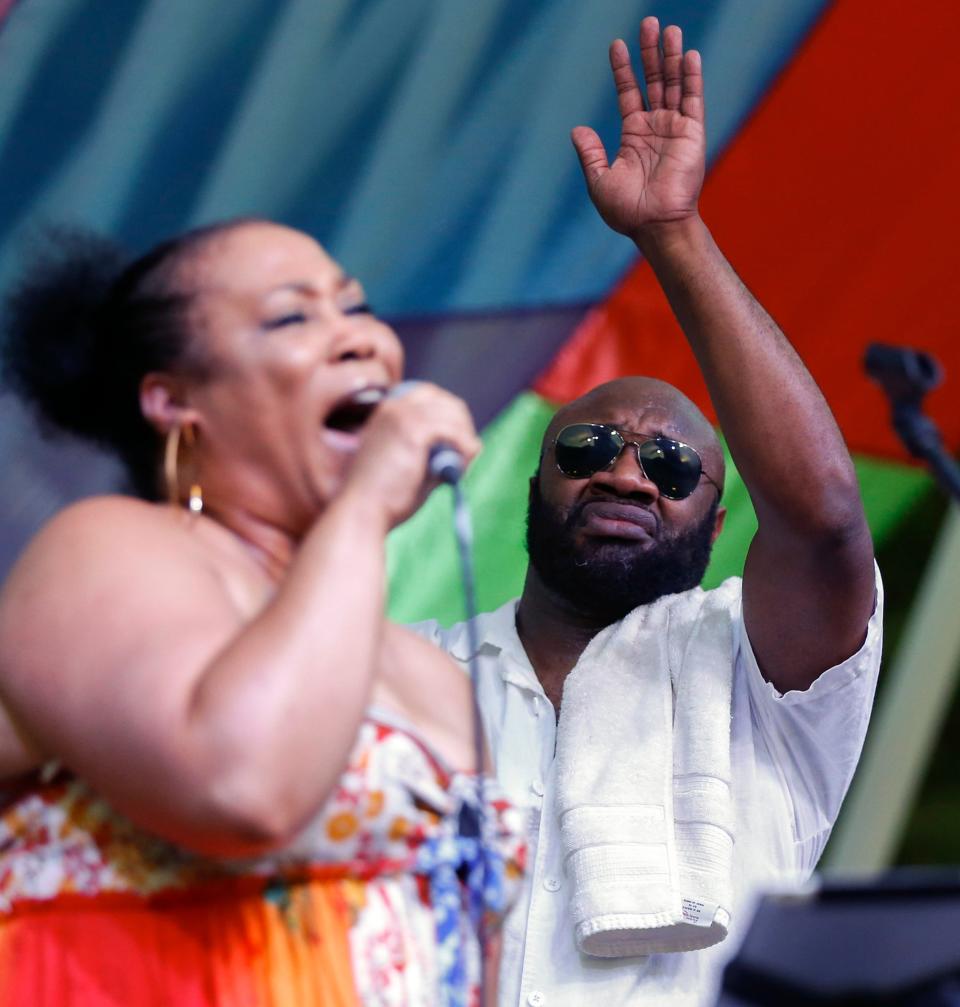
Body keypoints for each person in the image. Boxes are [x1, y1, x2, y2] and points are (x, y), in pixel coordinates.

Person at [414, 17, 882, 1007]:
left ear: (718, 527)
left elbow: (826, 522)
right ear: (535, 487)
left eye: (672, 466)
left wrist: (672, 234)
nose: (628, 474)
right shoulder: (406, 668)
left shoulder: (758, 675)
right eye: (589, 449)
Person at [0, 219, 526, 1005]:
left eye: (357, 307)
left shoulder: (420, 667)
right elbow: (241, 786)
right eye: (293, 316)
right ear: (172, 398)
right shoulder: (102, 548)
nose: (357, 339)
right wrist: (364, 504)